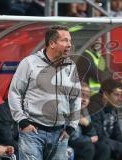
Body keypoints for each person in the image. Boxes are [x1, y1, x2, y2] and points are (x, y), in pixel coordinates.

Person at [8, 25, 81, 160]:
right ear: (52, 43)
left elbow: (76, 98)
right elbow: (14, 93)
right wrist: (22, 121)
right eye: (65, 40)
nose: (69, 45)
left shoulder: (71, 66)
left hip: (60, 133)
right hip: (32, 132)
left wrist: (71, 127)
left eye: (70, 41)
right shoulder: (29, 63)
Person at [90, 78, 122, 160]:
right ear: (106, 94)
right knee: (105, 148)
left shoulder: (112, 107)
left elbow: (117, 133)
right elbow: (100, 137)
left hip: (109, 144)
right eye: (117, 95)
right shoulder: (94, 108)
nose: (120, 99)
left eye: (121, 96)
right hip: (96, 145)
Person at [69, 82, 110, 160]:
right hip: (69, 144)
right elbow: (71, 138)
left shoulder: (84, 111)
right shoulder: (69, 110)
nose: (84, 100)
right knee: (88, 148)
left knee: (103, 148)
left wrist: (87, 124)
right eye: (82, 95)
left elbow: (94, 135)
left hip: (82, 143)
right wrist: (89, 139)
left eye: (87, 97)